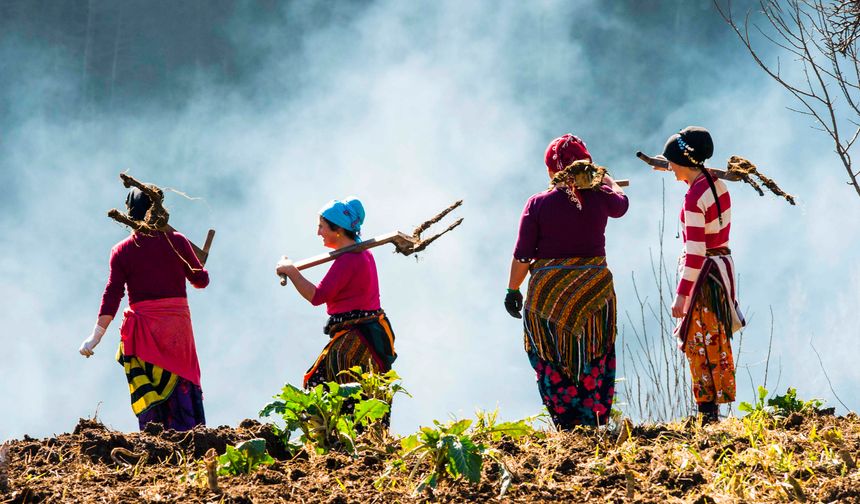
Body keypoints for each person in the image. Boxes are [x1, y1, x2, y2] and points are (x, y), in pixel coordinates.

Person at [505, 134, 628, 428]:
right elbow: (621, 205)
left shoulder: (537, 204)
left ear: (550, 171)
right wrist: (607, 179)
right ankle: (593, 418)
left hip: (550, 296)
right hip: (593, 291)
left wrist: (512, 290)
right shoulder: (601, 197)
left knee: (551, 355)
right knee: (594, 351)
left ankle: (565, 421)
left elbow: (523, 257)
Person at [79, 188, 210, 431]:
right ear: (159, 212)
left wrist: (96, 336)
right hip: (176, 333)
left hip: (143, 336)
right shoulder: (177, 241)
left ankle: (156, 437)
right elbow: (201, 281)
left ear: (128, 215)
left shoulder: (122, 251)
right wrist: (198, 268)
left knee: (152, 390)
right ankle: (192, 438)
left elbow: (113, 294)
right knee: (182, 382)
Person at [650, 126, 745, 423]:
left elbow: (695, 253)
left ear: (684, 161)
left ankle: (707, 414)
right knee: (715, 339)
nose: (670, 170)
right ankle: (712, 411)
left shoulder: (693, 199)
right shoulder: (716, 185)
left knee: (700, 344)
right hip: (720, 271)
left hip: (702, 278)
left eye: (672, 163)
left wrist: (682, 295)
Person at [275, 197, 396, 397]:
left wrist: (291, 271)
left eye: (322, 227)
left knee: (322, 386)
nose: (318, 232)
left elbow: (317, 296)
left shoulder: (349, 259)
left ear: (337, 230)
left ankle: (339, 429)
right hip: (365, 331)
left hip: (358, 335)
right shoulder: (362, 254)